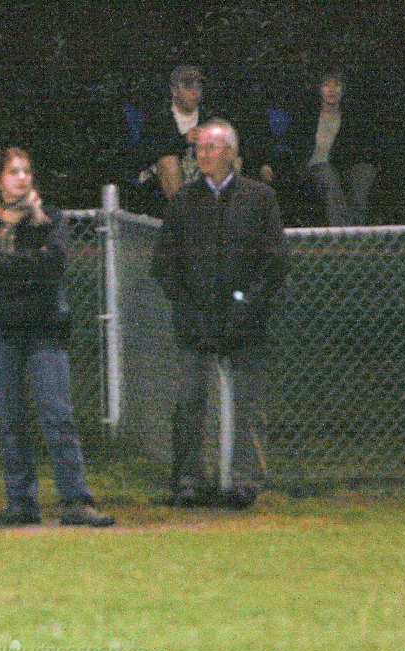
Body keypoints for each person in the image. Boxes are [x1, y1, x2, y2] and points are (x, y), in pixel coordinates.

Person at [0, 148, 115, 528]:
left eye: (26, 171)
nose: (22, 178)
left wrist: (1, 265)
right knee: (11, 421)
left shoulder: (48, 220)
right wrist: (23, 271)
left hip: (44, 329)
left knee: (58, 416)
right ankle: (21, 502)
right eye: (13, 171)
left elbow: (53, 266)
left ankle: (75, 500)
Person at [152, 120, 287, 509]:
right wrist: (187, 306)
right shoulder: (184, 201)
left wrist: (246, 303)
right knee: (190, 402)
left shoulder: (258, 198)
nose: (203, 155)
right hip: (195, 320)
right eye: (199, 148)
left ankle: (245, 480)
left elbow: (275, 262)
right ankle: (189, 480)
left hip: (245, 320)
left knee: (247, 404)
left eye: (211, 147)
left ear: (231, 152)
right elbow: (164, 264)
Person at [261, 70, 377, 226]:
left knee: (364, 172)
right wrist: (271, 164)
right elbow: (288, 144)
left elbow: (359, 151)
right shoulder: (307, 116)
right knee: (326, 173)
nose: (332, 90)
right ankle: (341, 231)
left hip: (339, 169)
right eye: (326, 85)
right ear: (320, 90)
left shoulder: (350, 118)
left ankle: (357, 229)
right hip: (310, 169)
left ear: (343, 90)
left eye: (337, 85)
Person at [130, 65, 211, 208]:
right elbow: (146, 152)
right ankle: (183, 215)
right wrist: (184, 140)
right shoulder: (159, 116)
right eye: (188, 86)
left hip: (199, 169)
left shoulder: (209, 116)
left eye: (198, 86)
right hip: (161, 176)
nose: (195, 92)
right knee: (168, 162)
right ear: (174, 90)